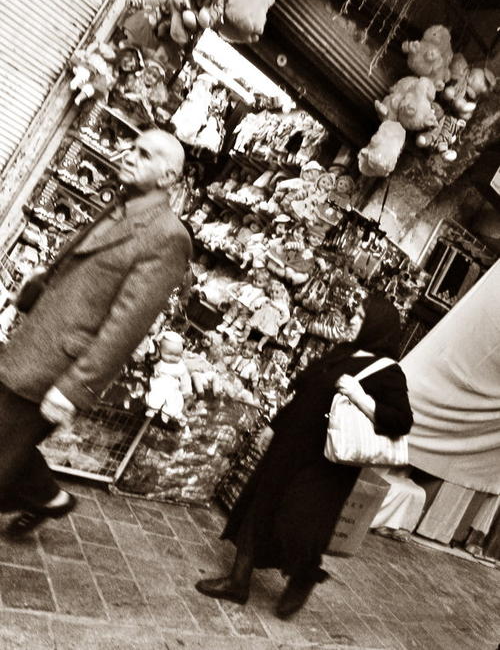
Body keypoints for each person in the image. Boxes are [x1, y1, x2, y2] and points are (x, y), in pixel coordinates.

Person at [0, 129, 192, 537]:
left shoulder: (168, 236)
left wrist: (73, 388)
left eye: (144, 154)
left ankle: (43, 495)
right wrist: (37, 287)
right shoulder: (123, 204)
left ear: (168, 177)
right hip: (33, 344)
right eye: (131, 147)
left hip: (55, 367)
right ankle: (48, 496)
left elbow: (126, 326)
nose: (128, 155)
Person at [195, 294, 413, 619]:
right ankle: (237, 582)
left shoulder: (388, 372)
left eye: (359, 315)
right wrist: (273, 426)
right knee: (259, 506)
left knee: (299, 524)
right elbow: (305, 394)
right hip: (290, 444)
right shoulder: (343, 352)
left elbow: (401, 421)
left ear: (376, 324)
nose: (351, 319)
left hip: (326, 465)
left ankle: (304, 576)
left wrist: (360, 396)